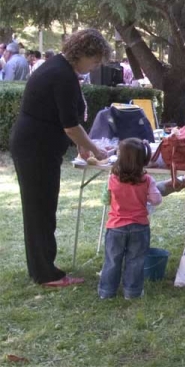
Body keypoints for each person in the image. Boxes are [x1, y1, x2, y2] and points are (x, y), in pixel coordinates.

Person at [10, 28, 111, 287]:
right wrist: (95, 149)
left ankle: (43, 267)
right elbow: (70, 126)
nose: (96, 66)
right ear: (83, 53)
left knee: (42, 208)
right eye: (95, 60)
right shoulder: (61, 74)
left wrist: (81, 147)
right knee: (40, 209)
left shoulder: (60, 69)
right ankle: (46, 275)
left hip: (39, 146)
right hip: (36, 148)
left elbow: (65, 118)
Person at [98, 138, 162, 299]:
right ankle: (132, 292)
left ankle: (107, 291)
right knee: (136, 261)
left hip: (115, 226)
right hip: (139, 226)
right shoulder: (147, 180)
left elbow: (106, 199)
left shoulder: (112, 178)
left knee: (112, 260)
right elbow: (156, 200)